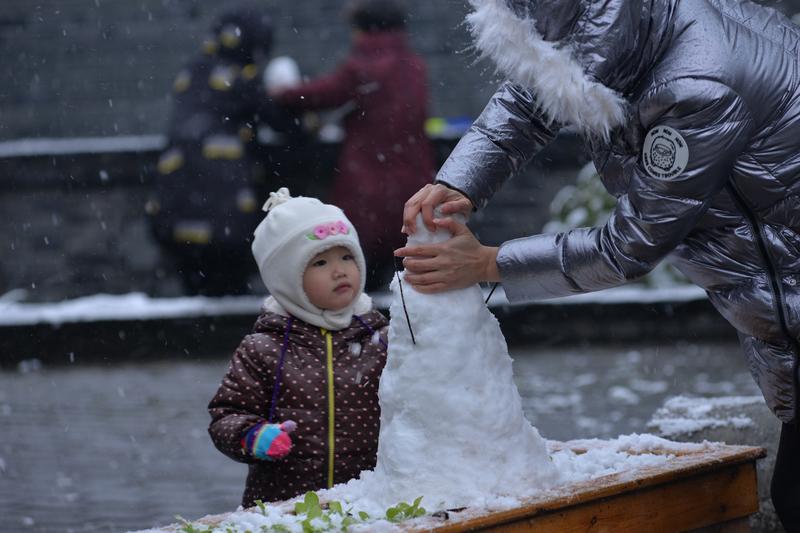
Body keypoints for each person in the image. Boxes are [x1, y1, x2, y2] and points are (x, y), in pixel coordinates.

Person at [396, 0, 800, 529]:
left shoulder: (698, 87)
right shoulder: (626, 29)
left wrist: (489, 263)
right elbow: (535, 94)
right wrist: (459, 182)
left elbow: (631, 243)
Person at [208, 187, 388, 507]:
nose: (339, 270)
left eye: (347, 256)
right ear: (287, 279)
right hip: (285, 503)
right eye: (320, 262)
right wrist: (252, 435)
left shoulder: (382, 339)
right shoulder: (263, 348)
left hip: (369, 503)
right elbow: (226, 415)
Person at [271, 0, 435, 291]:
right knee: (409, 274)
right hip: (414, 180)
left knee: (362, 268)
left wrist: (282, 93)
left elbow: (320, 94)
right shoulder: (415, 67)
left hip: (368, 181)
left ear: (362, 29)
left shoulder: (361, 67)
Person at [147, 4, 300, 296]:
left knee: (196, 290)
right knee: (227, 290)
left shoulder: (192, 72)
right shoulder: (239, 79)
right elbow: (284, 123)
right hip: (223, 215)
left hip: (175, 205)